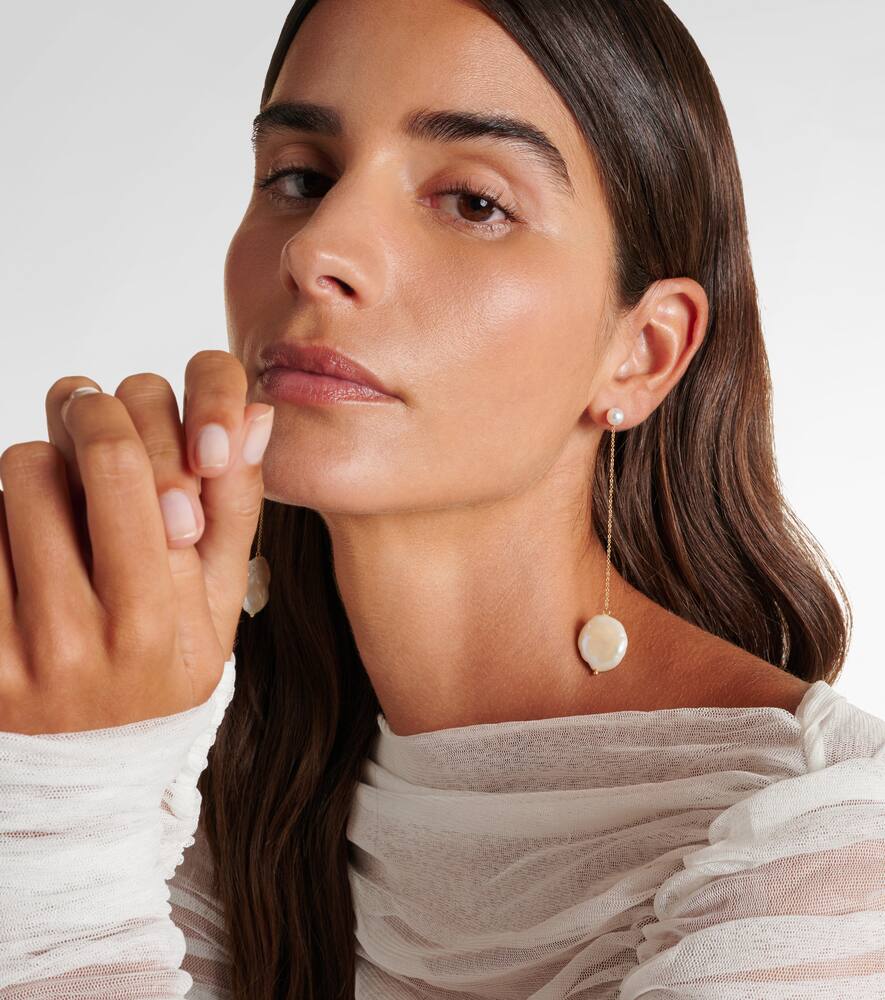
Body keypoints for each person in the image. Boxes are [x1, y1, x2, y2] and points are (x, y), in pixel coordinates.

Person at [1, 0, 883, 997]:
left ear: (641, 352)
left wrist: (58, 837)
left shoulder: (833, 865)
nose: (316, 249)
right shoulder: (195, 767)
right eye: (300, 178)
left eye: (472, 201)